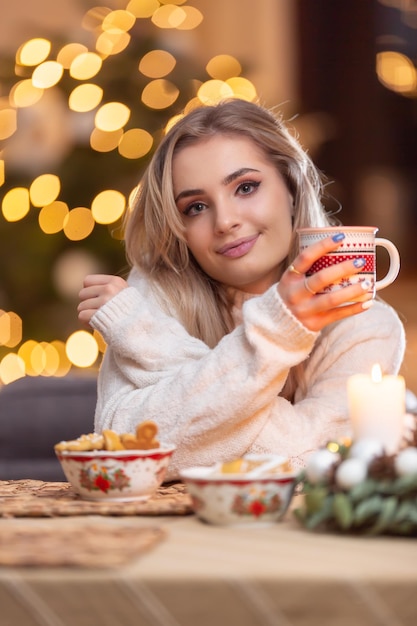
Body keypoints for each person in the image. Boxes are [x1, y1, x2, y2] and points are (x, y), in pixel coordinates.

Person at [78, 98, 405, 479]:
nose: (225, 221)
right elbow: (120, 448)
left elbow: (311, 463)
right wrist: (273, 338)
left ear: (292, 186)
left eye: (246, 187)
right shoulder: (156, 294)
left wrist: (148, 338)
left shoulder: (364, 326)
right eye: (196, 207)